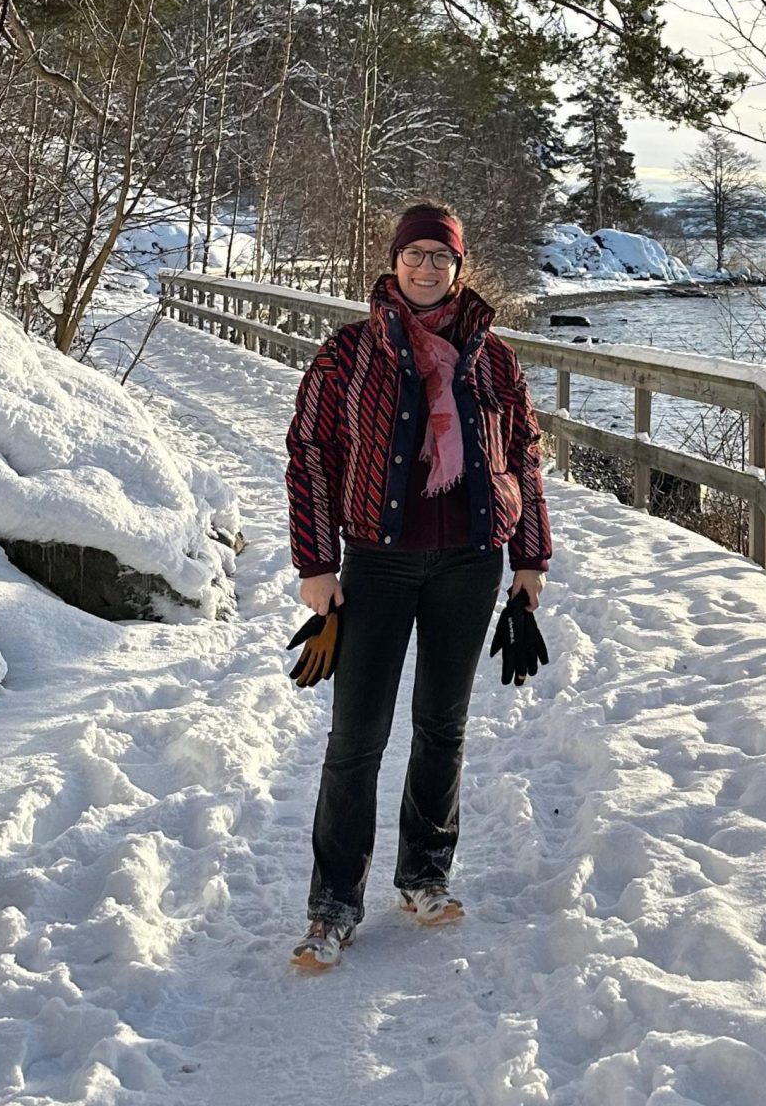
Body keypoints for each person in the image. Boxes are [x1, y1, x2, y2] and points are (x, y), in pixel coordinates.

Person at [283, 202, 551, 971]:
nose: (427, 267)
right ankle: (334, 904)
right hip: (377, 562)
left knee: (442, 726)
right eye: (415, 254)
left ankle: (424, 876)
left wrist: (530, 559)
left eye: (441, 256)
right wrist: (316, 564)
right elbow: (310, 455)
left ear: (460, 268)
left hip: (471, 562)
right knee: (356, 737)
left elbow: (523, 457)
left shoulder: (494, 359)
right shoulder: (347, 354)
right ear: (394, 261)